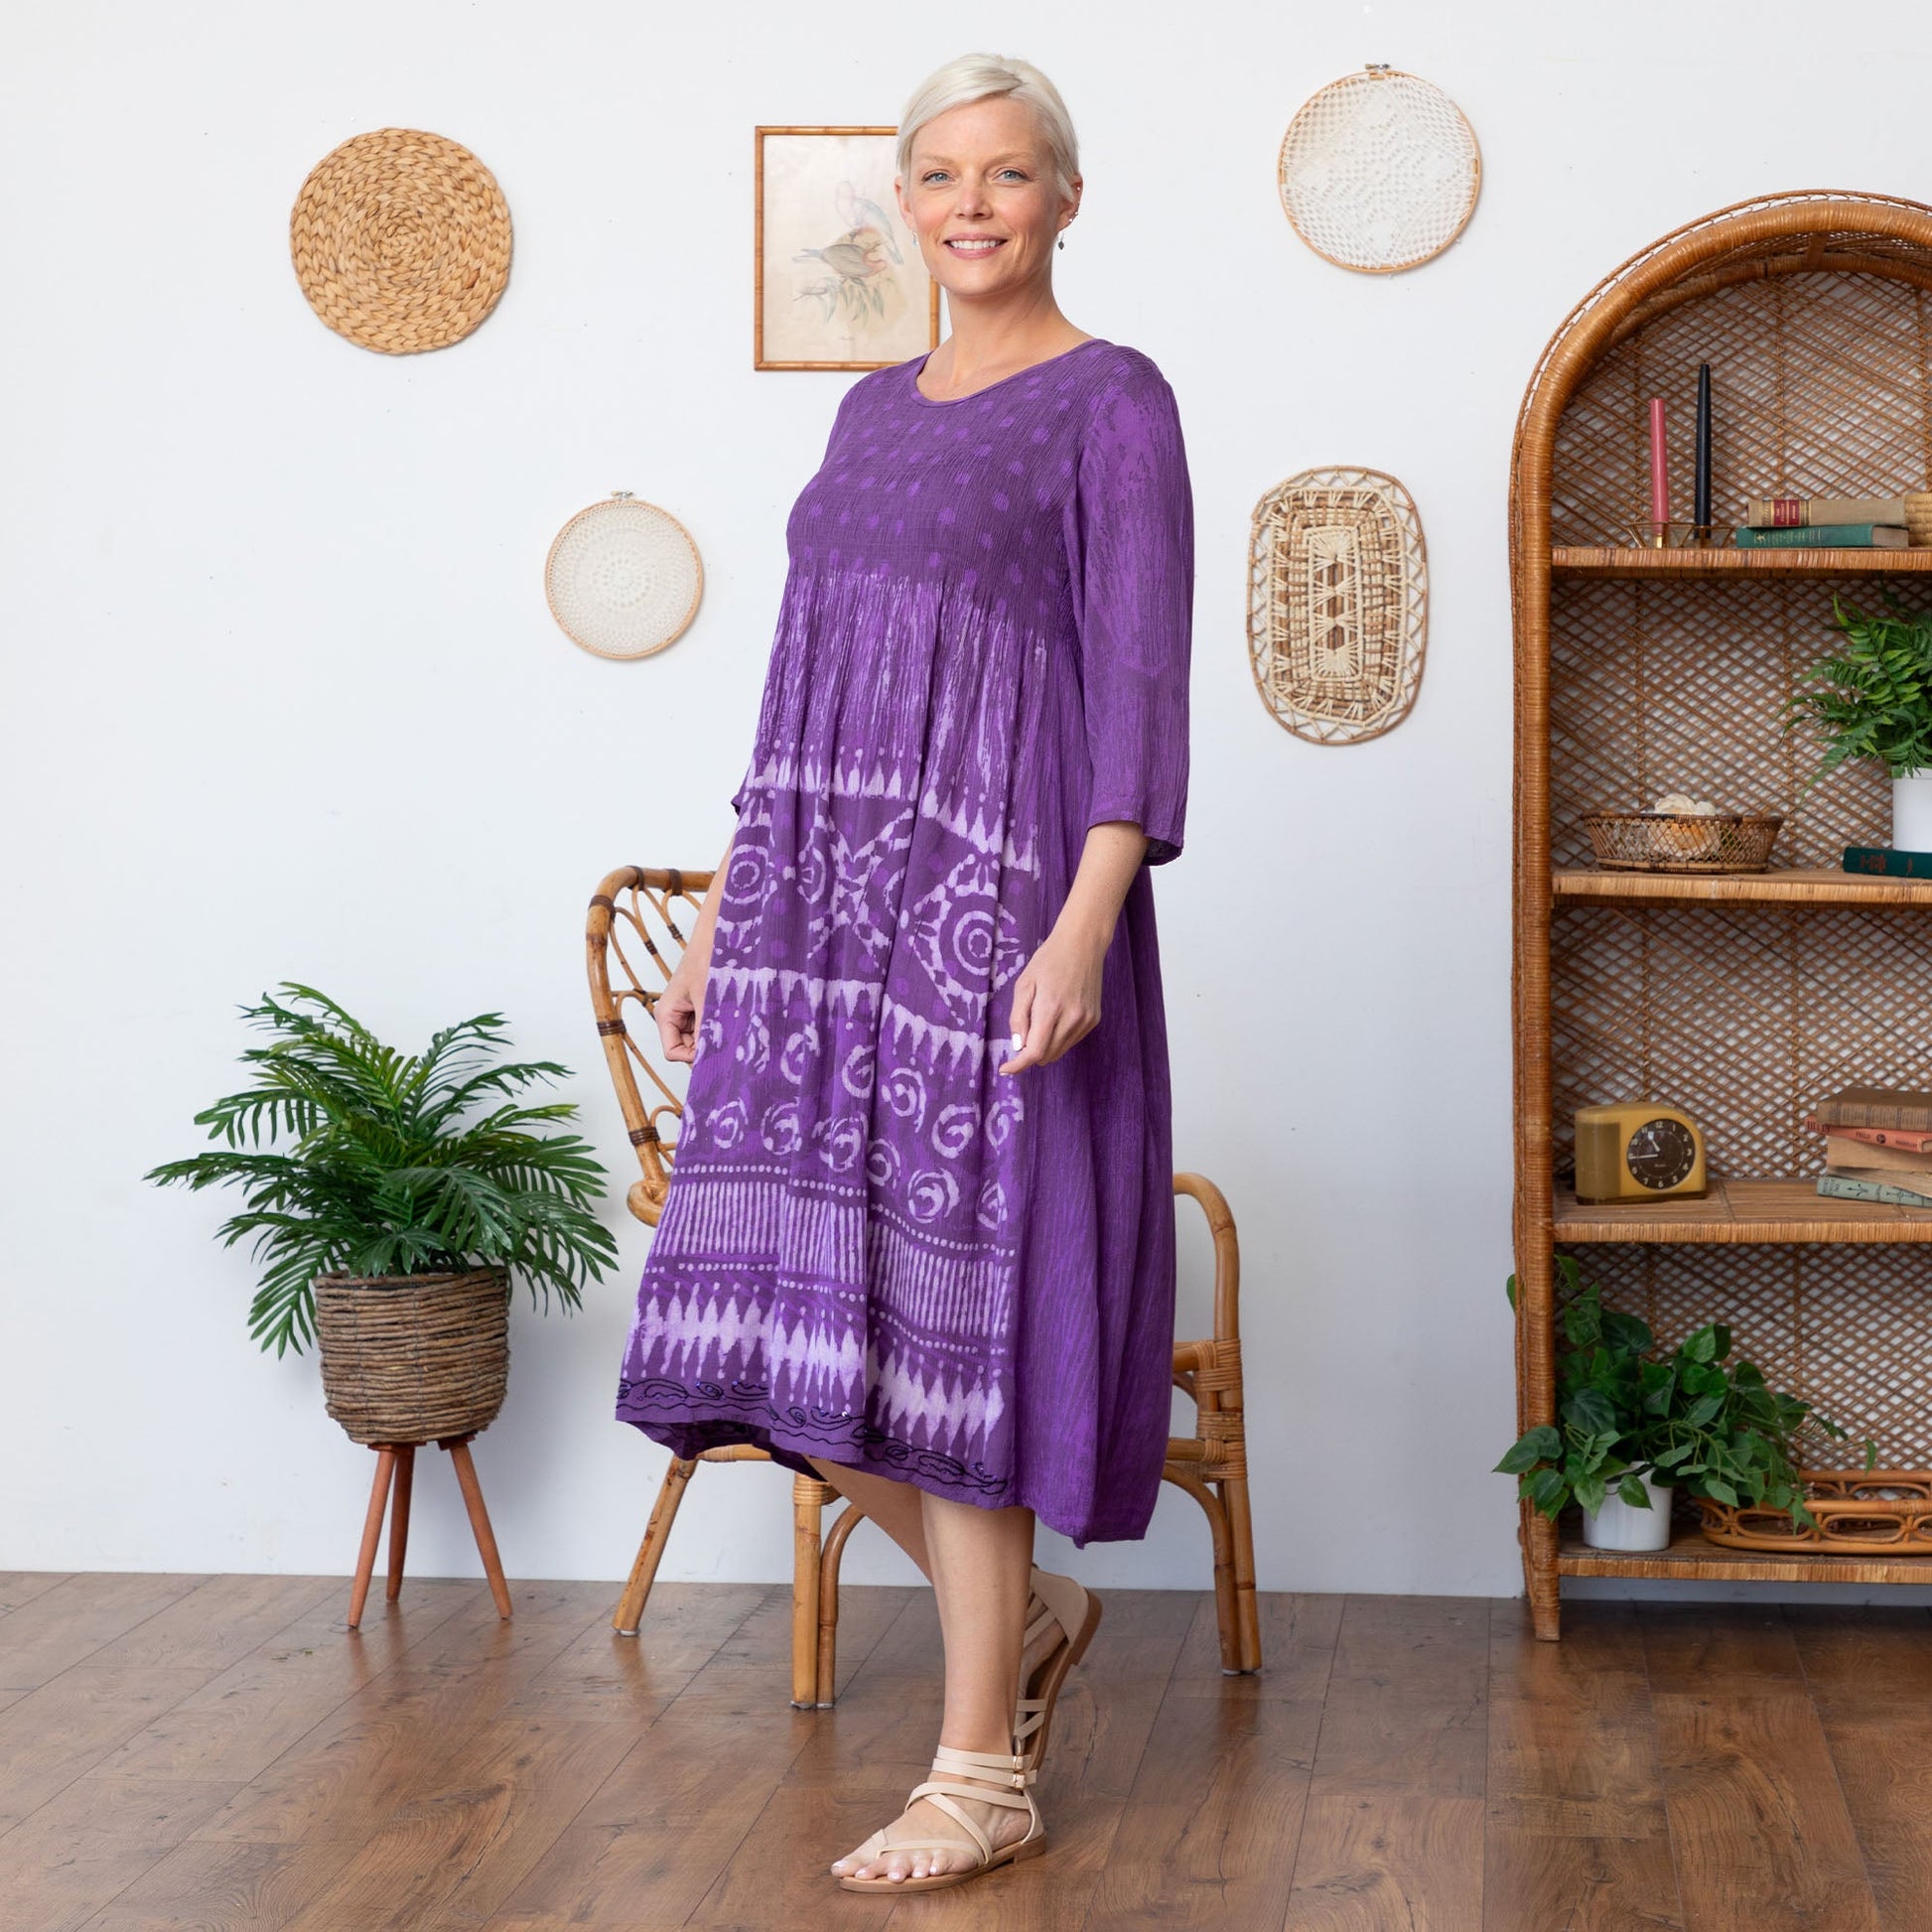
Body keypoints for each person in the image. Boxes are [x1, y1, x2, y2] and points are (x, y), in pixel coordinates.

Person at [614, 49, 1193, 1894]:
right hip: (817, 912)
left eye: (1005, 174)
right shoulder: (869, 412)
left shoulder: (1112, 401)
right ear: (905, 201)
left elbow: (1139, 679)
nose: (969, 204)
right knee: (787, 1321)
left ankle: (979, 1773)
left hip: (991, 903)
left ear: (1064, 199)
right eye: (938, 175)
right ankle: (1016, 1634)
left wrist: (1083, 922)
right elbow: (805, 678)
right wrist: (729, 908)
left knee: (957, 1317)